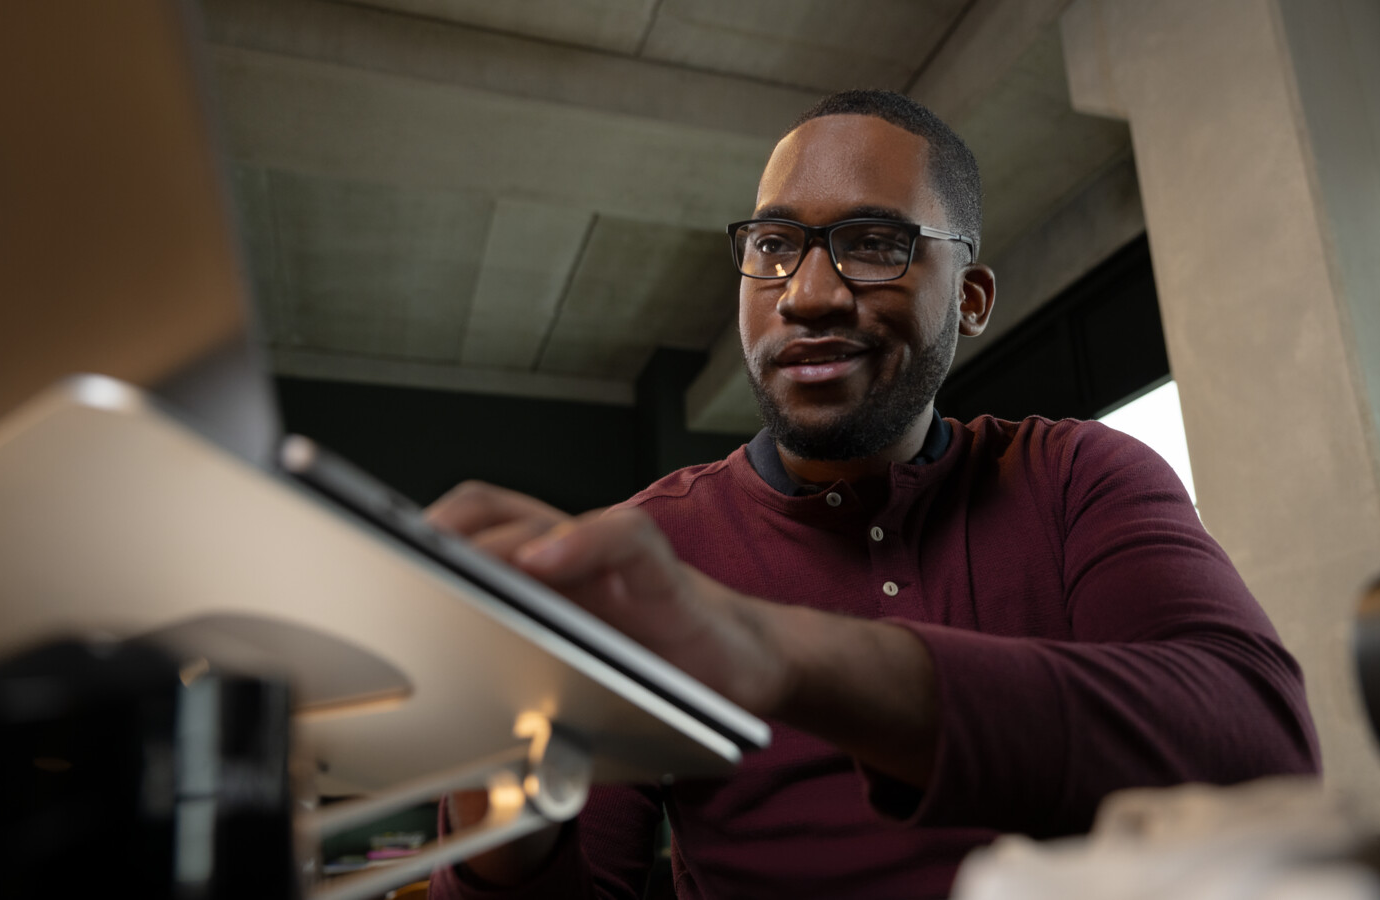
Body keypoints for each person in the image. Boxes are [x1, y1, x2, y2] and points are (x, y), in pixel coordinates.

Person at [425, 90, 1319, 899]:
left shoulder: (1076, 476)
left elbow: (1264, 750)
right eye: (774, 246)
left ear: (970, 299)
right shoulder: (648, 548)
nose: (807, 295)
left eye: (873, 244)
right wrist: (495, 798)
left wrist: (773, 652)